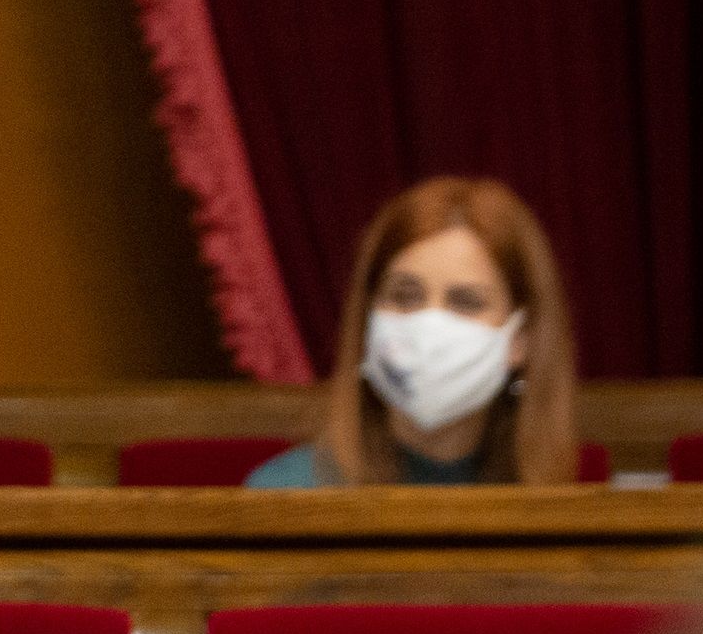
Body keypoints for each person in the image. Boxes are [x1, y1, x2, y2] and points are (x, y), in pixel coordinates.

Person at [248, 175, 585, 488]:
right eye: (405, 297)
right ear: (367, 320)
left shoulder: (559, 508)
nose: (429, 325)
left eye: (465, 303)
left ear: (520, 340)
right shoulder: (283, 493)